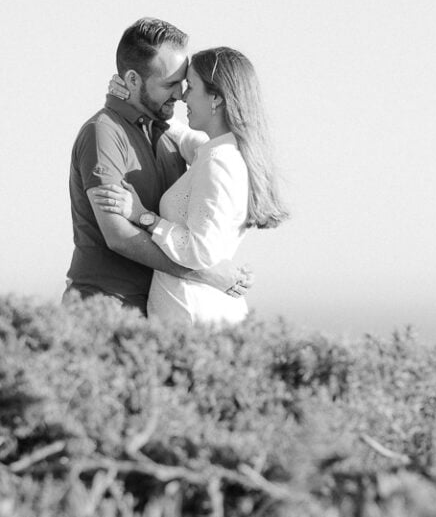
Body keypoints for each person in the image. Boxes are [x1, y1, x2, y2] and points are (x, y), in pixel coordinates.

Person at [64, 18, 252, 315]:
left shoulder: (168, 136)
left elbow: (219, 157)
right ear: (133, 80)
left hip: (153, 311)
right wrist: (207, 274)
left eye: (184, 83)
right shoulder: (103, 133)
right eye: (170, 84)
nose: (180, 94)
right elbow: (118, 236)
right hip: (105, 308)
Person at [91, 46, 288, 325]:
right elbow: (184, 138)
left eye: (191, 87)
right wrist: (138, 100)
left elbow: (200, 251)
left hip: (193, 314)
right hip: (198, 308)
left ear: (216, 98)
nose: (182, 96)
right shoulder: (222, 152)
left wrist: (143, 216)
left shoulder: (218, 161)